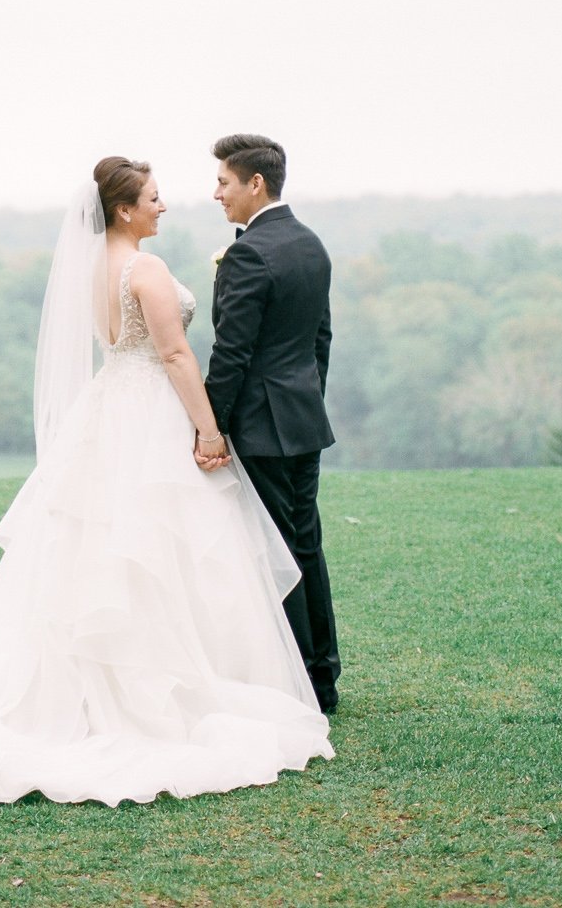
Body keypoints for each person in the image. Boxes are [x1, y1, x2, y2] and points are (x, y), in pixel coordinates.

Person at [0, 155, 333, 805]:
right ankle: (165, 685)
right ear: (125, 210)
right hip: (151, 415)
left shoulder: (89, 270)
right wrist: (210, 431)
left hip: (108, 411)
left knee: (100, 546)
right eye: (154, 199)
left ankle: (101, 676)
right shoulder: (146, 269)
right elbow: (173, 353)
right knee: (161, 544)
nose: (164, 206)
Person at [206, 135, 341, 714]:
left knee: (273, 551)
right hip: (302, 419)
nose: (217, 194)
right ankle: (322, 674)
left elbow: (230, 353)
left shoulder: (248, 254)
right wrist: (306, 398)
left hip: (260, 426)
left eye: (224, 183)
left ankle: (298, 683)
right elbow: (321, 339)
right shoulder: (311, 244)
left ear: (254, 183)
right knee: (305, 544)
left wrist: (209, 427)